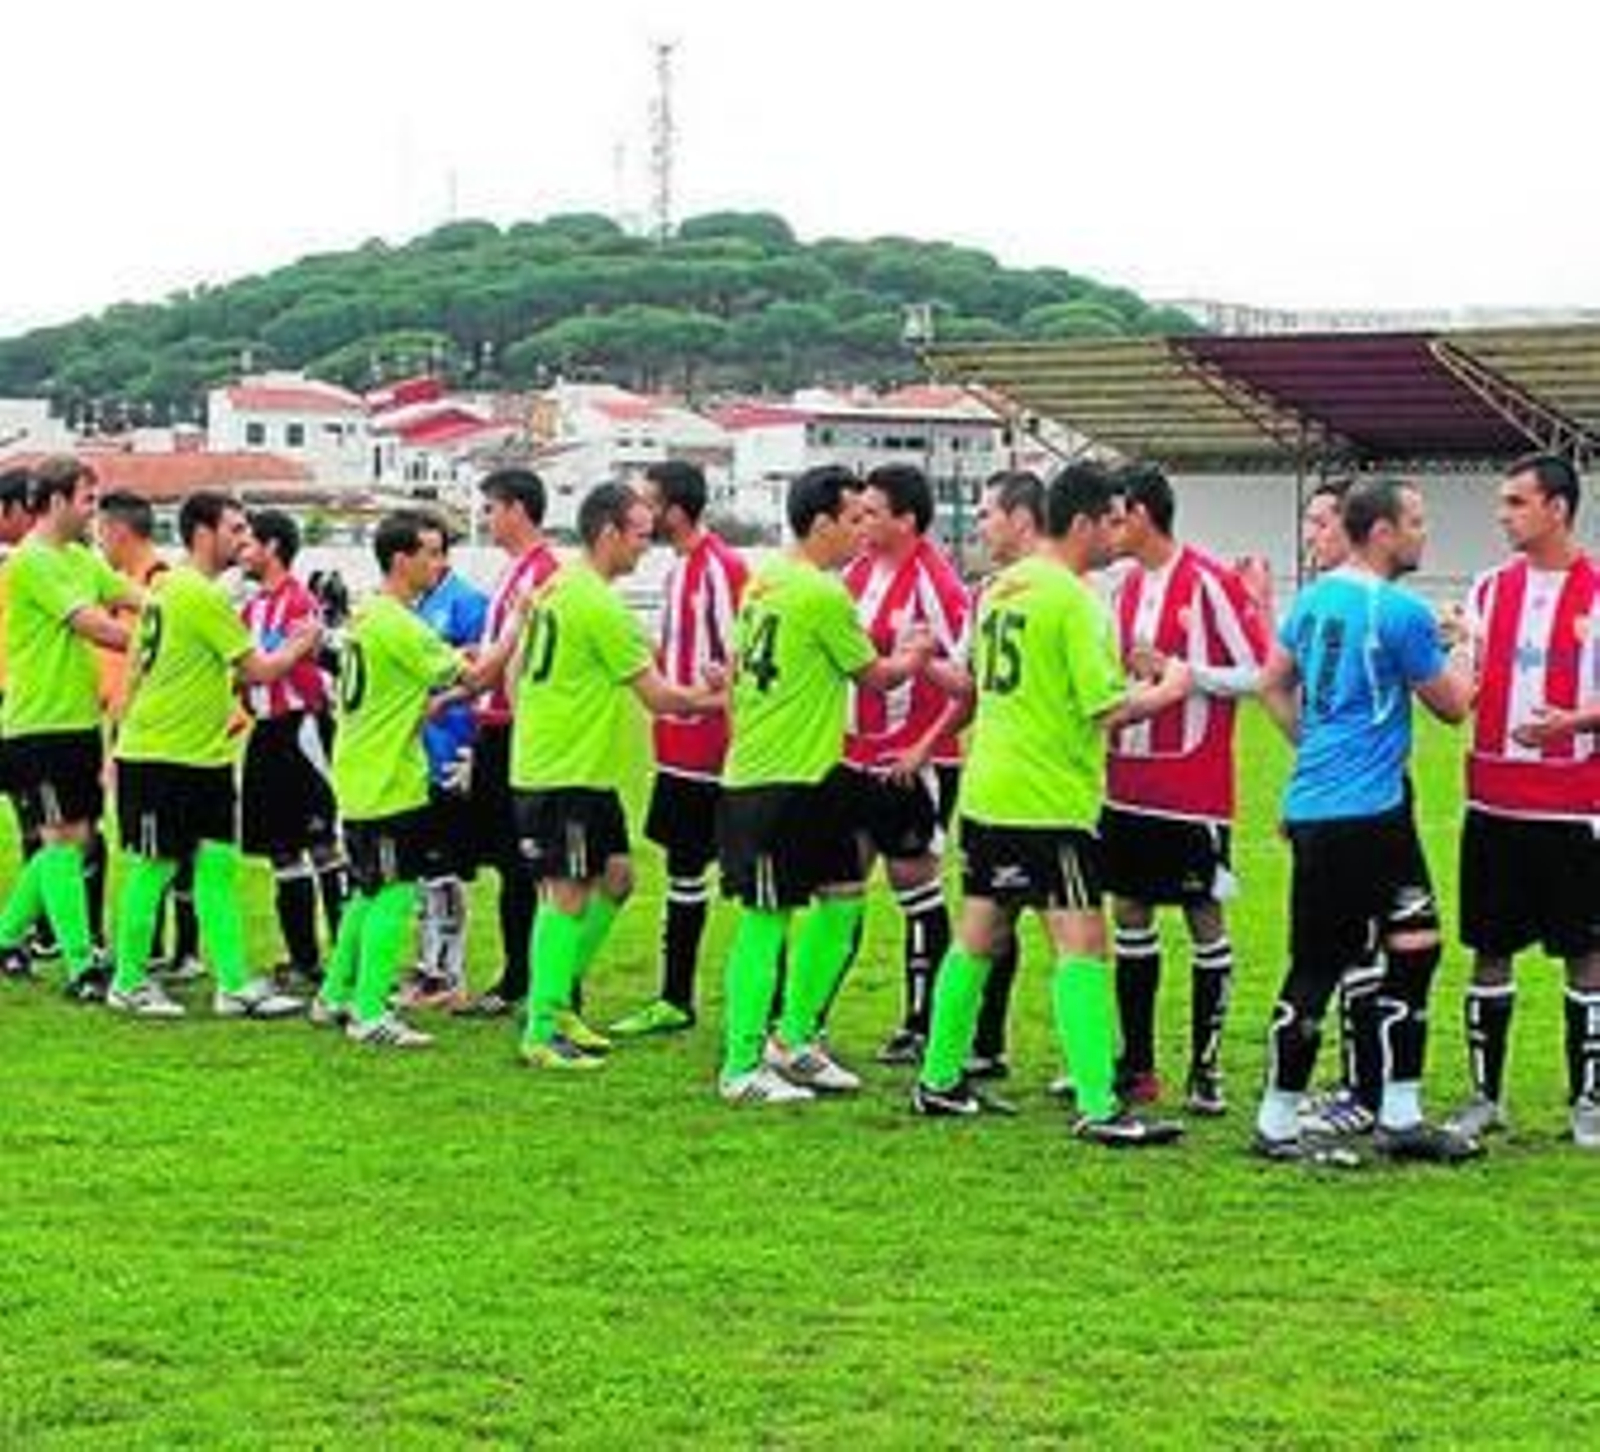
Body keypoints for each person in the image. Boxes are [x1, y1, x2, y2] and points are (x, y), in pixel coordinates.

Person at [911, 462, 1187, 1145]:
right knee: (1083, 943)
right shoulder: (1075, 600)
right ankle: (1100, 1105)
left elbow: (984, 682)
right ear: (1086, 522)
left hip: (989, 791)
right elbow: (1107, 708)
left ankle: (938, 1079)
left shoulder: (1002, 590)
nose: (1116, 536)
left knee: (978, 933)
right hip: (1047, 799)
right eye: (1112, 522)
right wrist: (1172, 686)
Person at [1254, 476, 1478, 1163]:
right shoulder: (1398, 611)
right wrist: (1468, 639)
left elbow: (1272, 683)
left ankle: (1400, 1113)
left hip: (1335, 804)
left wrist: (1316, 746)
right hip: (1366, 814)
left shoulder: (1313, 600)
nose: (1422, 533)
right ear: (1380, 531)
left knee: (1416, 945)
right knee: (1322, 963)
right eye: (1414, 521)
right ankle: (1276, 1122)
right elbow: (1452, 705)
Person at [716, 464, 933, 1105]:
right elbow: (877, 676)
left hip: (815, 775)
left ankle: (795, 1039)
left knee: (843, 896)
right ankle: (740, 1066)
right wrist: (917, 655)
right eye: (853, 518)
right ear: (820, 524)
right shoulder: (819, 593)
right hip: (772, 780)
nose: (862, 532)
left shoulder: (765, 581)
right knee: (766, 919)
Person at [510, 482, 724, 1070]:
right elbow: (658, 699)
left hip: (578, 769)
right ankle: (541, 1025)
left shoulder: (557, 586)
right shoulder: (597, 603)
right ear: (608, 533)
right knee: (568, 894)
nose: (645, 548)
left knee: (619, 878)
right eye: (639, 535)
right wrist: (722, 700)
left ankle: (555, 1004)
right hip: (565, 771)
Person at [106, 491, 320, 1019]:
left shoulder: (168, 590)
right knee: (155, 867)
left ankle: (232, 983)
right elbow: (258, 669)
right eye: (235, 529)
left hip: (204, 756)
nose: (244, 541)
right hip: (161, 754)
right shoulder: (195, 595)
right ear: (203, 533)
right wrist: (302, 641)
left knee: (218, 866)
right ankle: (128, 981)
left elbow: (139, 666)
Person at [314, 511, 521, 1048]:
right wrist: (515, 628)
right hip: (388, 779)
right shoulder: (401, 625)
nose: (440, 562)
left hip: (360, 769)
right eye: (430, 552)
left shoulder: (369, 616)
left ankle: (336, 993)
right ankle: (369, 1011)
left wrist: (464, 665)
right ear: (401, 559)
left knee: (366, 890)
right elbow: (475, 678)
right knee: (394, 892)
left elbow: (426, 683)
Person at [1101, 463, 1268, 1116]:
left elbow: (1258, 671)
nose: (1110, 530)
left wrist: (1183, 671)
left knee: (1203, 917)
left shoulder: (1208, 582)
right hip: (1125, 783)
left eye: (1116, 517)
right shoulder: (1121, 588)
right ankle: (1138, 1065)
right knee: (1131, 915)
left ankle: (1207, 1068)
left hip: (1191, 785)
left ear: (1141, 515)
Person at [1446, 455, 1600, 1148]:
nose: (1503, 514)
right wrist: (1447, 656)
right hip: (1495, 805)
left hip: (1574, 807)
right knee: (1489, 950)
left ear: (1558, 508)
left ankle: (1589, 1102)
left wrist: (1575, 724)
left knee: (1588, 954)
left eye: (1516, 502)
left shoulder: (1597, 591)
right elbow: (1463, 688)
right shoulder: (1485, 589)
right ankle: (1486, 1097)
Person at [609, 460, 748, 1038]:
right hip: (677, 747)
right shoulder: (678, 570)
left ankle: (769, 1012)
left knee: (751, 883)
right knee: (683, 872)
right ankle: (674, 998)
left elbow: (745, 668)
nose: (641, 513)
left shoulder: (724, 568)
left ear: (674, 508)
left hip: (717, 752)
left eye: (648, 502)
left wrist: (719, 715)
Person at [838, 463, 971, 1065]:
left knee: (912, 883)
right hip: (855, 756)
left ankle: (920, 1022)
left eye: (871, 513)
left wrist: (925, 746)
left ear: (907, 520)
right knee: (840, 883)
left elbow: (968, 685)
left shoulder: (939, 586)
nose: (860, 523)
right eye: (857, 513)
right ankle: (806, 1016)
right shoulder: (857, 574)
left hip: (917, 760)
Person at [0, 457, 136, 998]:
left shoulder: (80, 557)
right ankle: (82, 968)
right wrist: (163, 641)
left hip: (79, 720)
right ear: (55, 502)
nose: (93, 512)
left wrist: (183, 610)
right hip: (38, 723)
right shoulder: (32, 562)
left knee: (73, 841)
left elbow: (132, 596)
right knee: (61, 838)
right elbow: (95, 624)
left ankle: (8, 935)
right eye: (87, 500)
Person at [455, 468, 560, 1017]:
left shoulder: (545, 573)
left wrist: (467, 676)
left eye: (492, 509)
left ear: (517, 509)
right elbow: (499, 651)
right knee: (507, 861)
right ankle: (519, 975)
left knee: (531, 863)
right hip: (493, 726)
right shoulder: (512, 571)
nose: (487, 519)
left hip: (520, 729)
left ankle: (538, 980)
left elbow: (517, 657)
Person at [238, 508, 346, 988]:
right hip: (265, 731)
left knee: (323, 843)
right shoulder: (251, 608)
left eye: (249, 542)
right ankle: (304, 960)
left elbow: (276, 667)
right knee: (281, 850)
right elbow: (246, 670)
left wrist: (265, 666)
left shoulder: (300, 602)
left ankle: (347, 957)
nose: (242, 551)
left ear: (273, 547)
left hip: (302, 729)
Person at [97, 490, 195, 979]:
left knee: (162, 846)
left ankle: (168, 949)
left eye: (100, 531)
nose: (98, 542)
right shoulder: (126, 584)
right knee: (147, 843)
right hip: (130, 722)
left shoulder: (159, 585)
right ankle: (159, 947)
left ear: (117, 530)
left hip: (155, 730)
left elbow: (147, 663)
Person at [406, 513, 489, 1008]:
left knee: (445, 866)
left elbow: (487, 675)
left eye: (439, 551)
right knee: (423, 867)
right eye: (425, 551)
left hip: (452, 751)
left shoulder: (466, 602)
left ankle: (451, 976)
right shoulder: (415, 606)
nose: (432, 560)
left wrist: (473, 750)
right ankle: (430, 965)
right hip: (418, 753)